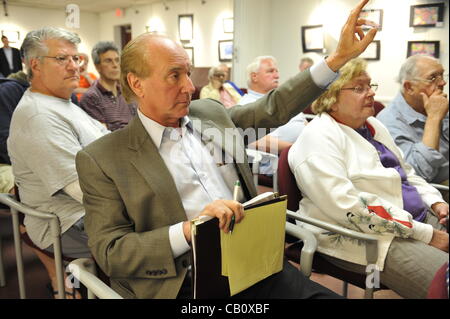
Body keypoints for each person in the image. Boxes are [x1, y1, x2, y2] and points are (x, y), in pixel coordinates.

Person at [75, 0, 377, 299]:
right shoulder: (103, 159)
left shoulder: (209, 113)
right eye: (174, 75)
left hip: (256, 263)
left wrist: (336, 59)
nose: (189, 87)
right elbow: (111, 252)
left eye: (188, 73)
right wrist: (188, 230)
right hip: (187, 283)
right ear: (136, 84)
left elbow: (274, 107)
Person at [288, 57, 449, 299]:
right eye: (358, 88)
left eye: (370, 86)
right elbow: (350, 207)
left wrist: (435, 201)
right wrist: (427, 234)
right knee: (445, 283)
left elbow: (406, 173)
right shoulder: (318, 139)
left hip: (414, 220)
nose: (371, 94)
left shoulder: (372, 125)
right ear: (331, 98)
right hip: (368, 236)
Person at [7, 27, 110, 297]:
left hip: (87, 210)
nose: (74, 66)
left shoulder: (64, 104)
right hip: (67, 222)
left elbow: (109, 146)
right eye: (62, 59)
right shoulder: (39, 116)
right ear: (35, 65)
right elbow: (84, 192)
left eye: (76, 58)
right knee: (153, 241)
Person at [376, 55, 448, 185]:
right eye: (432, 78)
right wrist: (434, 118)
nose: (442, 83)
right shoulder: (389, 121)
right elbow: (420, 175)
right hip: (436, 190)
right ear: (409, 87)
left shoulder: (437, 104)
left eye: (442, 75)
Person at [240, 56, 308, 176]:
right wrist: (297, 149)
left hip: (305, 155)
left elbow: (304, 123)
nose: (277, 76)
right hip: (282, 161)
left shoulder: (283, 100)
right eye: (270, 71)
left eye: (277, 71)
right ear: (254, 76)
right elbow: (254, 141)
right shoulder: (246, 105)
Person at [80, 41, 136, 131]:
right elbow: (102, 134)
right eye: (108, 61)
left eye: (117, 60)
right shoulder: (91, 97)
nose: (115, 65)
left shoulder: (126, 92)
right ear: (97, 66)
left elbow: (139, 122)